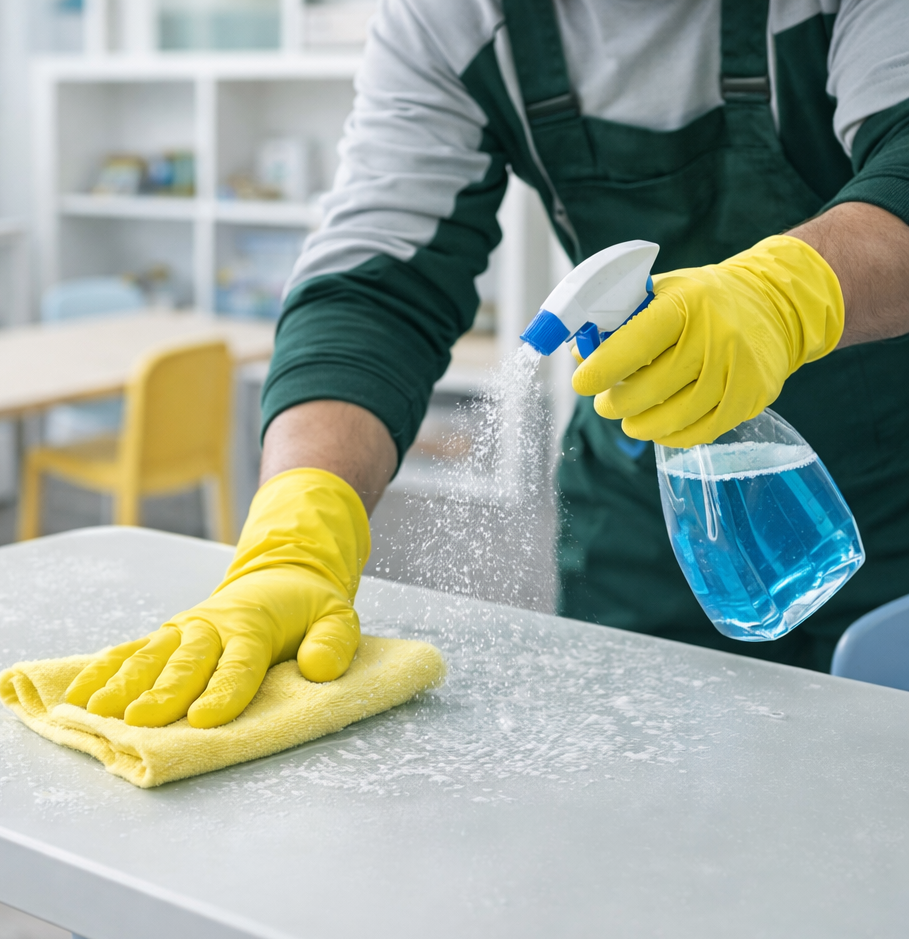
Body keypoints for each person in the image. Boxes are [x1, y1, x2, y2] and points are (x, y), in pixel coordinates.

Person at [59, 0, 909, 729]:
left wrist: (784, 296)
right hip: (648, 501)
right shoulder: (450, 17)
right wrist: (298, 530)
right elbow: (377, 288)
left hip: (896, 490)